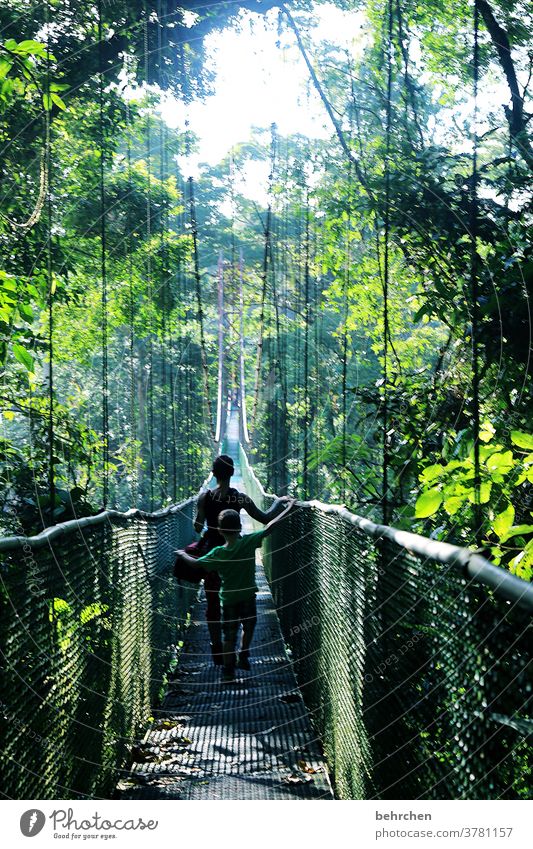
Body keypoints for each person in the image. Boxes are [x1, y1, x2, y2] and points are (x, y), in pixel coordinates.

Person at [174, 453, 290, 666]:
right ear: (233, 472)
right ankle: (240, 649)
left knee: (212, 602)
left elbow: (198, 528)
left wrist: (203, 518)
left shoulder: (205, 497)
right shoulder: (240, 498)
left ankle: (218, 650)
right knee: (237, 597)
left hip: (213, 553)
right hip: (235, 551)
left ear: (213, 473)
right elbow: (265, 518)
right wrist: (281, 504)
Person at [176, 499, 295, 683]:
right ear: (240, 528)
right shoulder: (248, 542)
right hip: (247, 597)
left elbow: (196, 563)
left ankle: (228, 672)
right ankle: (244, 653)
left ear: (220, 531)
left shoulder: (217, 553)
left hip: (229, 600)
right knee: (249, 627)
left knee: (229, 636)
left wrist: (183, 554)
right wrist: (287, 509)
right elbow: (270, 527)